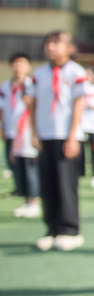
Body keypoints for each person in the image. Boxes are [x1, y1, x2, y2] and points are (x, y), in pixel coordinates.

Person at [25, 31, 88, 251]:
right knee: (48, 183)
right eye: (48, 43)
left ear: (69, 48)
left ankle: (70, 229)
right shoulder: (39, 74)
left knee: (65, 184)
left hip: (66, 136)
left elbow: (78, 106)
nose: (51, 47)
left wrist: (73, 136)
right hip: (45, 135)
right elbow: (32, 104)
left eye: (56, 43)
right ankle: (51, 229)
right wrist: (34, 132)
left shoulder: (76, 72)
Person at [1, 52, 40, 218]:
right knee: (16, 168)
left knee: (30, 167)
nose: (19, 67)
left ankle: (35, 201)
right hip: (11, 131)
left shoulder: (32, 85)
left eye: (23, 64)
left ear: (28, 67)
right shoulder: (5, 87)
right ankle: (25, 200)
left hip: (27, 132)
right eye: (16, 63)